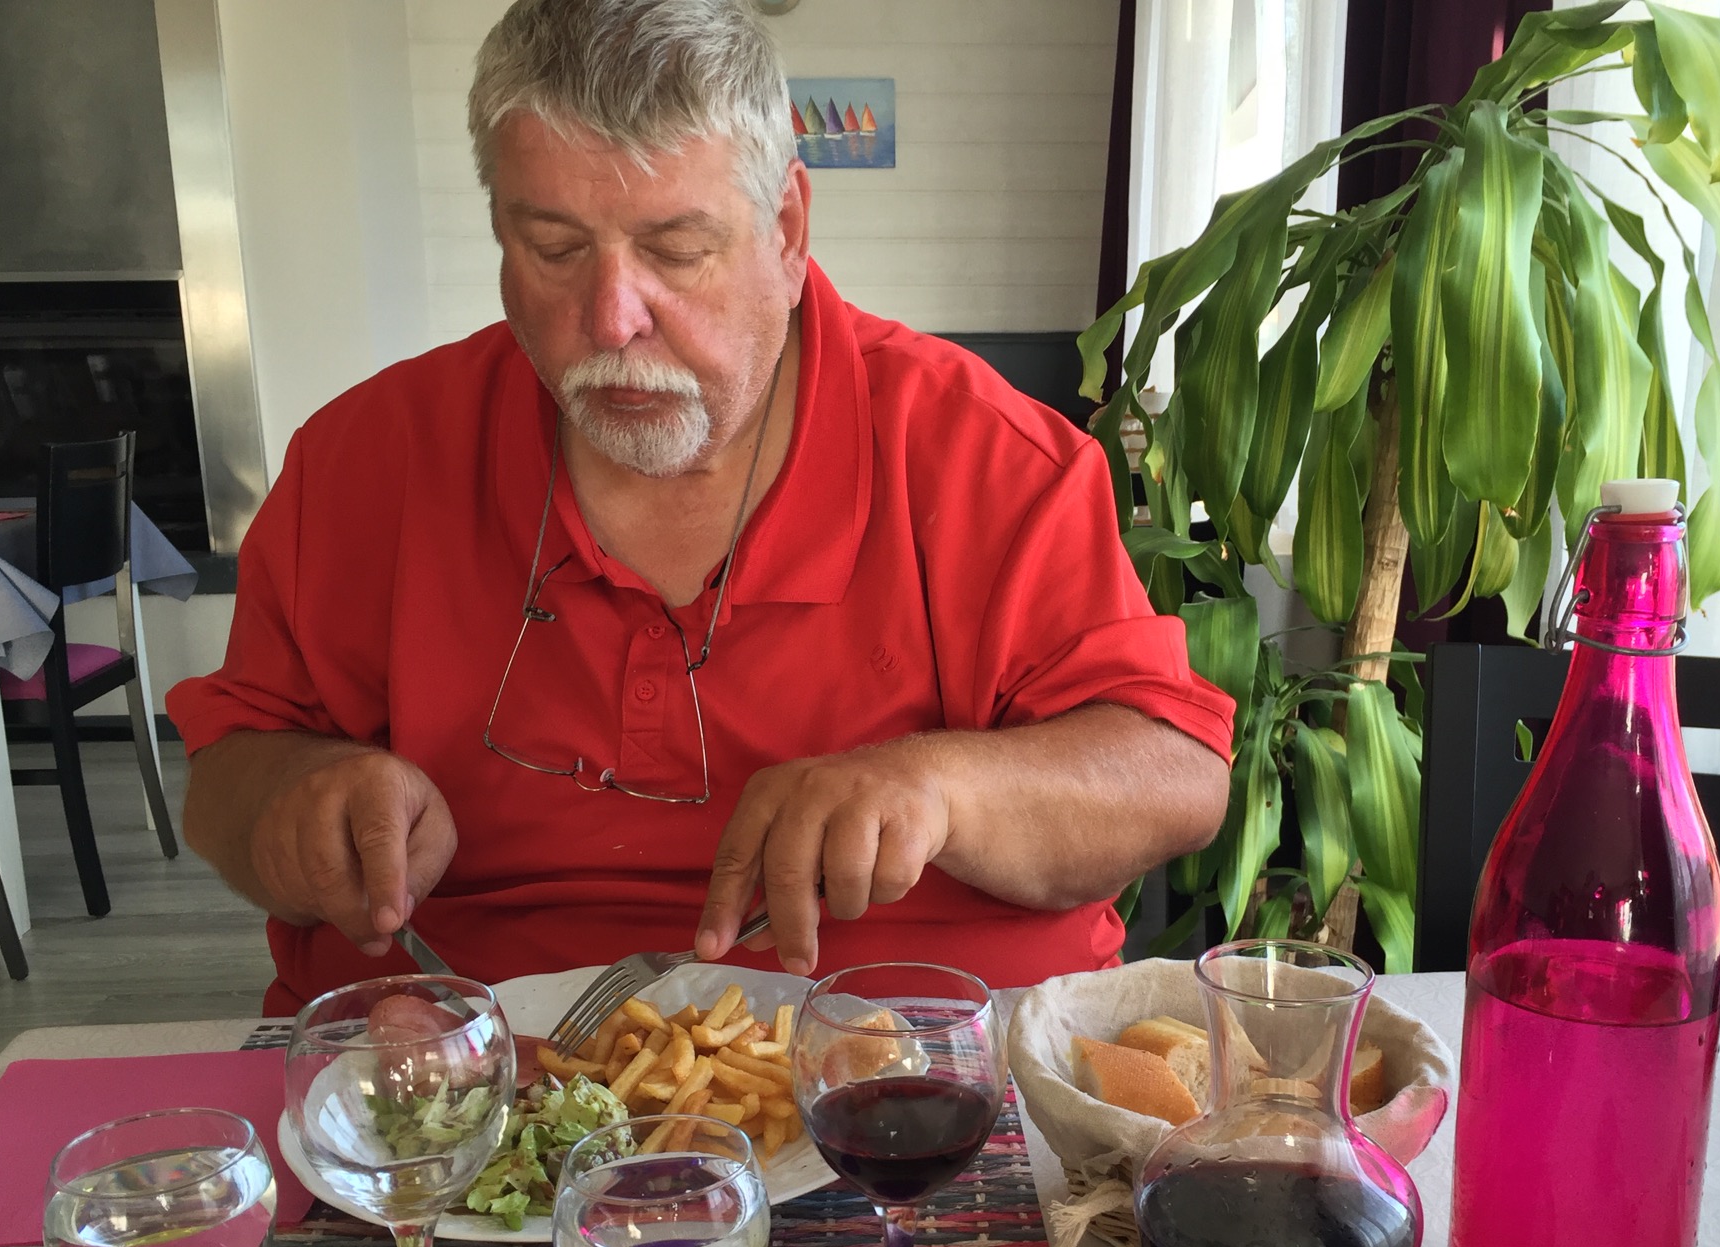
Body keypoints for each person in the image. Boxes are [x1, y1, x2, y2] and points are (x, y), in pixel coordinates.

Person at [172, 0, 1233, 1014]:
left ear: (787, 228)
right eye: (553, 249)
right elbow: (228, 775)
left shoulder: (984, 455)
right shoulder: (368, 457)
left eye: (676, 251)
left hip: (921, 1071)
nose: (611, 318)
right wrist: (302, 803)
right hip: (462, 1074)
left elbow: (1175, 778)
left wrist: (940, 789)